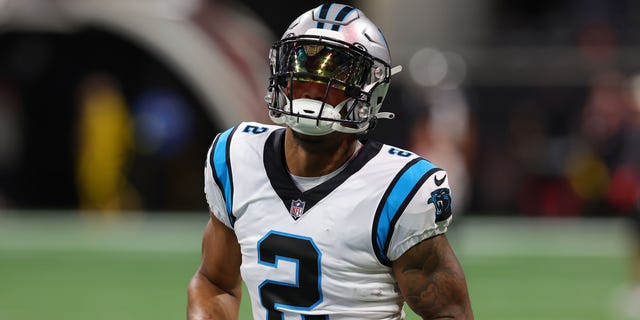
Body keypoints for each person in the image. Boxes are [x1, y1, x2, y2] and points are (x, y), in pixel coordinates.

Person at [187, 3, 473, 319]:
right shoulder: (236, 155)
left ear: (370, 88)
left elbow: (449, 313)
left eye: (335, 74)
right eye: (302, 67)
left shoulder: (399, 188)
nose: (313, 86)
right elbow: (215, 282)